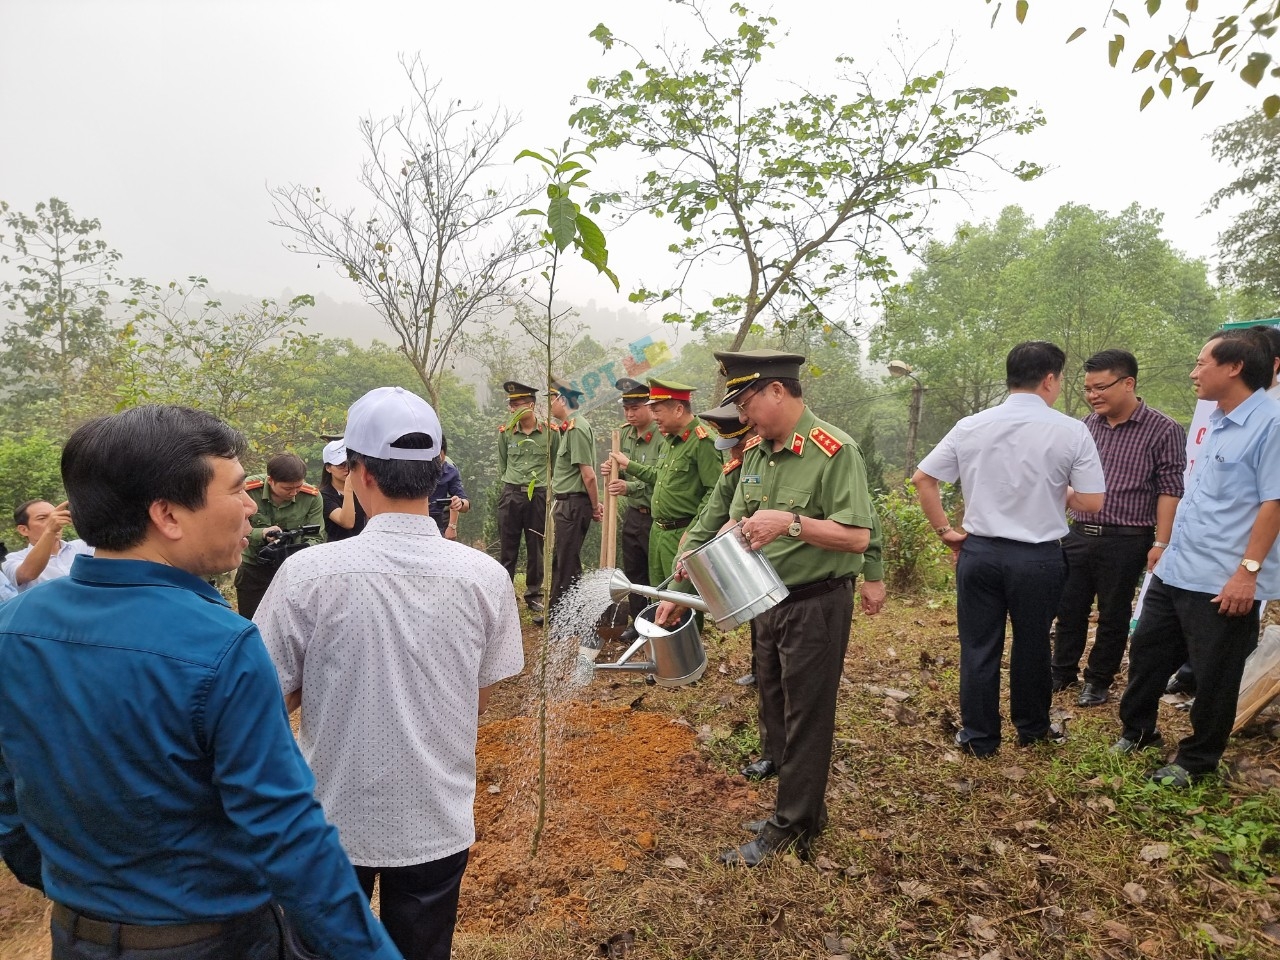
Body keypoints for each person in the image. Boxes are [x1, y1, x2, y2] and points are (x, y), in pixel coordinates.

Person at [0, 405, 400, 960]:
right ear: (167, 514)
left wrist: (83, 891)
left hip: (77, 937)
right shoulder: (220, 646)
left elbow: (9, 804)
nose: (250, 506)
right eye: (235, 490)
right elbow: (288, 837)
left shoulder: (14, 628)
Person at [255, 386, 524, 960]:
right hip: (437, 817)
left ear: (358, 474)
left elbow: (266, 697)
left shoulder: (309, 575)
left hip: (331, 820)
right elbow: (481, 695)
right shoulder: (485, 577)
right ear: (435, 474)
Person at [697, 350, 881, 867]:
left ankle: (794, 825)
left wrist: (792, 523)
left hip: (814, 602)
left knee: (807, 715)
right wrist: (709, 549)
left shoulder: (833, 450)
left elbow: (857, 536)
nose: (743, 415)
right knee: (775, 701)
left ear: (778, 391)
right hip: (766, 598)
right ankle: (801, 809)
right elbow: (739, 520)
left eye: (748, 400)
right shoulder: (755, 452)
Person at [913, 341, 1106, 760]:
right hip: (1038, 558)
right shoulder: (1071, 430)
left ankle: (980, 737)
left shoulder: (971, 425)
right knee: (1033, 643)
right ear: (1050, 379)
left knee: (979, 646)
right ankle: (1032, 729)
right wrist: (1063, 491)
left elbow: (923, 478)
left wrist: (946, 530)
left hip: (980, 553)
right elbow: (1092, 502)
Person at [1113, 329, 1280, 787]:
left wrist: (1247, 574)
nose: (1193, 372)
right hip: (1179, 567)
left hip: (1222, 578)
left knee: (1215, 676)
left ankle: (1197, 761)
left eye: (1202, 362)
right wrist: (1164, 548)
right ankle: (1139, 732)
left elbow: (1274, 503)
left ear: (1235, 367)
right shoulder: (1221, 421)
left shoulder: (1272, 423)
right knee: (1147, 651)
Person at [1050, 350, 1186, 708]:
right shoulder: (1085, 427)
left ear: (1128, 383)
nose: (1093, 395)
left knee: (1113, 613)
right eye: (1088, 389)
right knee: (1070, 607)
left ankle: (1098, 680)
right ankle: (1061, 670)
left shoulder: (1163, 429)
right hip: (1079, 533)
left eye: (1101, 387)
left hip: (1127, 538)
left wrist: (1161, 541)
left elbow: (1170, 489)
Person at [608, 378, 721, 600]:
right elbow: (660, 477)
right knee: (658, 594)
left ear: (678, 409)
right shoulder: (671, 439)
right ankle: (660, 635)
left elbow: (715, 492)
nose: (654, 417)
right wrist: (629, 465)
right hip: (658, 531)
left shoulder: (702, 441)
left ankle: (685, 636)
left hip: (682, 532)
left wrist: (695, 531)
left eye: (657, 410)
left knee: (681, 599)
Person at [599, 377, 664, 640]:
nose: (630, 413)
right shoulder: (624, 433)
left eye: (636, 407)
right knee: (634, 573)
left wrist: (629, 488)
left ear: (649, 406)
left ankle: (657, 623)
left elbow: (660, 477)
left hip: (656, 516)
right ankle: (637, 623)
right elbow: (621, 474)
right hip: (633, 515)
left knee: (655, 574)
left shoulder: (662, 436)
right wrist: (610, 472)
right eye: (626, 408)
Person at [235, 453, 325, 619]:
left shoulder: (311, 497)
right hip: (254, 567)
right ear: (271, 481)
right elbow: (233, 527)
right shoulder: (247, 491)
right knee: (250, 620)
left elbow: (317, 537)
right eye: (287, 489)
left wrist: (295, 548)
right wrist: (261, 533)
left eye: (298, 487)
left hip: (294, 569)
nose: (294, 493)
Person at [496, 380, 557, 625]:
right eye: (511, 404)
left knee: (536, 547)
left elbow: (555, 464)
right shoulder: (505, 433)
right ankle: (504, 595)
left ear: (531, 405)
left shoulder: (550, 434)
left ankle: (534, 594)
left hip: (538, 495)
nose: (512, 409)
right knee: (507, 548)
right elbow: (503, 465)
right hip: (511, 494)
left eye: (518, 404)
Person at [548, 379, 603, 613]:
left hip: (573, 504)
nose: (549, 405)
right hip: (565, 503)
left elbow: (588, 475)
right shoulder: (568, 428)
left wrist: (595, 506)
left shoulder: (577, 428)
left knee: (568, 562)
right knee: (562, 560)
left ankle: (572, 615)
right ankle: (556, 612)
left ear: (561, 399)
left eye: (551, 399)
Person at [2, 498, 94, 592]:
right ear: (23, 530)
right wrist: (50, 531)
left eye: (55, 516)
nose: (54, 521)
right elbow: (28, 573)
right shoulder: (12, 559)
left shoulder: (84, 546)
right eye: (42, 518)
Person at [320, 439, 368, 542]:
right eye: (341, 465)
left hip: (361, 545)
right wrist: (349, 489)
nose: (346, 469)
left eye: (349, 464)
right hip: (336, 548)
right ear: (328, 468)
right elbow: (347, 523)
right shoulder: (323, 495)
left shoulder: (362, 489)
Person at [429, 435, 470, 539]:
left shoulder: (451, 471)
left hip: (439, 519)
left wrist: (459, 503)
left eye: (439, 458)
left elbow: (465, 504)